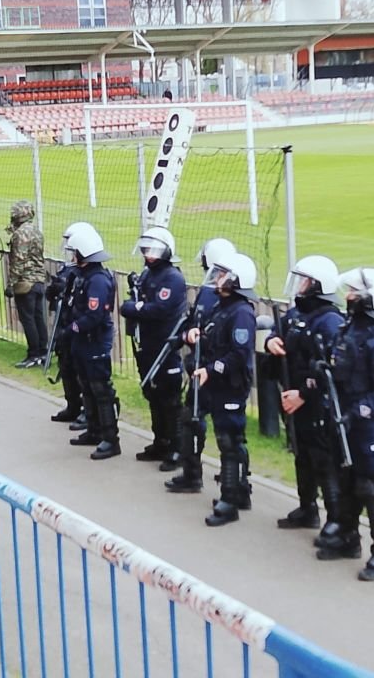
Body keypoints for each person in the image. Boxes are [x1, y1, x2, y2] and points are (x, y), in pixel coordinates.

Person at [316, 267, 374, 582]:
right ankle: (348, 538)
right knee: (347, 480)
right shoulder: (350, 329)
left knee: (371, 487)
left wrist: (356, 413)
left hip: (366, 428)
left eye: (354, 292)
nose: (347, 297)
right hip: (343, 422)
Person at [264, 255, 345, 534]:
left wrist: (303, 394)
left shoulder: (330, 321)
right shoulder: (297, 313)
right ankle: (307, 507)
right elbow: (279, 331)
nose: (299, 285)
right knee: (302, 456)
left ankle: (335, 518)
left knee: (324, 461)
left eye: (305, 281)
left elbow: (330, 370)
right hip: (292, 397)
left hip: (315, 403)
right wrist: (271, 340)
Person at [185, 251, 258, 527]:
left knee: (230, 441)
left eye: (224, 275)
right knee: (228, 439)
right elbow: (212, 335)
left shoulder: (241, 312)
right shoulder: (221, 307)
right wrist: (196, 336)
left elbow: (239, 354)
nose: (218, 279)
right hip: (216, 384)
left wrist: (211, 368)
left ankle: (230, 499)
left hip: (230, 385)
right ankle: (238, 492)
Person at [164, 237, 235, 496]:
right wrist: (189, 334)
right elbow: (196, 321)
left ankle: (236, 489)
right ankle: (191, 473)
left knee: (229, 437)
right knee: (189, 421)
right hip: (199, 368)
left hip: (217, 373)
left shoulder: (234, 300)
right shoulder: (207, 291)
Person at [120, 226, 186, 470]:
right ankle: (160, 441)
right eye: (147, 250)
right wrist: (137, 306)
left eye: (154, 251)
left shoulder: (172, 278)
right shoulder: (148, 274)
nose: (149, 255)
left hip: (164, 347)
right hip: (147, 345)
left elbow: (159, 309)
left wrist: (135, 307)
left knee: (170, 401)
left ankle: (177, 448)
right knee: (153, 396)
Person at [65, 225, 120, 461]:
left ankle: (110, 438)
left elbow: (94, 315)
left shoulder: (97, 280)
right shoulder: (84, 276)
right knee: (86, 385)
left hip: (94, 341)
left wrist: (72, 328)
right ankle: (95, 430)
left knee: (100, 389)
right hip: (83, 341)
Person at [46, 222, 93, 425]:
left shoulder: (89, 274)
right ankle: (72, 405)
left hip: (79, 328)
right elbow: (53, 295)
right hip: (64, 325)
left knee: (81, 372)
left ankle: (86, 410)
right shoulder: (68, 269)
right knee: (65, 366)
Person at [5, 199, 47, 368]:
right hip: (39, 280)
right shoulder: (36, 231)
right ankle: (43, 351)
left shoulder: (20, 234)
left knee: (28, 319)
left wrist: (11, 284)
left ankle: (34, 354)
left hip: (26, 282)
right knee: (38, 318)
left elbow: (18, 261)